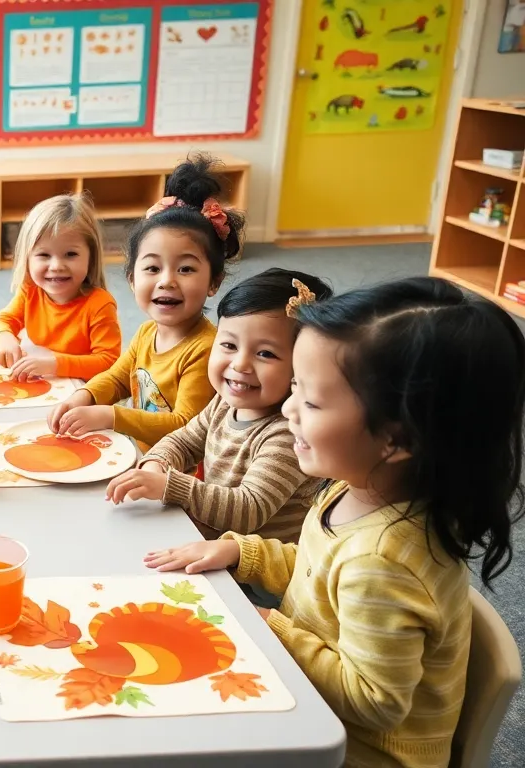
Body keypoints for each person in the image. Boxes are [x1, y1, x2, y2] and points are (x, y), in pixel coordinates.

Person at [146, 277, 525, 768]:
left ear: (396, 438)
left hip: (358, 750)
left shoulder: (383, 563)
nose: (287, 409)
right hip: (314, 702)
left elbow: (375, 702)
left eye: (311, 402)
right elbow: (316, 572)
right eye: (295, 388)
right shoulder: (358, 488)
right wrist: (245, 553)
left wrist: (267, 627)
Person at [107, 269, 332, 545]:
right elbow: (185, 441)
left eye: (265, 353)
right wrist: (156, 464)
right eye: (228, 345)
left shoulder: (289, 433)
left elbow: (249, 509)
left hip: (252, 574)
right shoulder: (225, 402)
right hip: (211, 541)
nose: (239, 364)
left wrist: (171, 486)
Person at [48, 153, 242, 450]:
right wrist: (83, 395)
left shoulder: (204, 349)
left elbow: (185, 425)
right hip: (140, 456)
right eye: (152, 268)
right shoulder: (147, 333)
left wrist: (110, 416)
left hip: (180, 476)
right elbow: (117, 378)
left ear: (213, 282)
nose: (166, 280)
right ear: (131, 279)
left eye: (186, 269)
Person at [0, 193, 121, 381]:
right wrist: (4, 338)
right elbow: (3, 320)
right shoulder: (30, 290)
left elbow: (108, 362)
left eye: (70, 254)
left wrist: (54, 364)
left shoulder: (100, 304)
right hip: (49, 383)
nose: (57, 266)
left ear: (90, 257)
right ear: (27, 258)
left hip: (85, 390)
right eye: (44, 255)